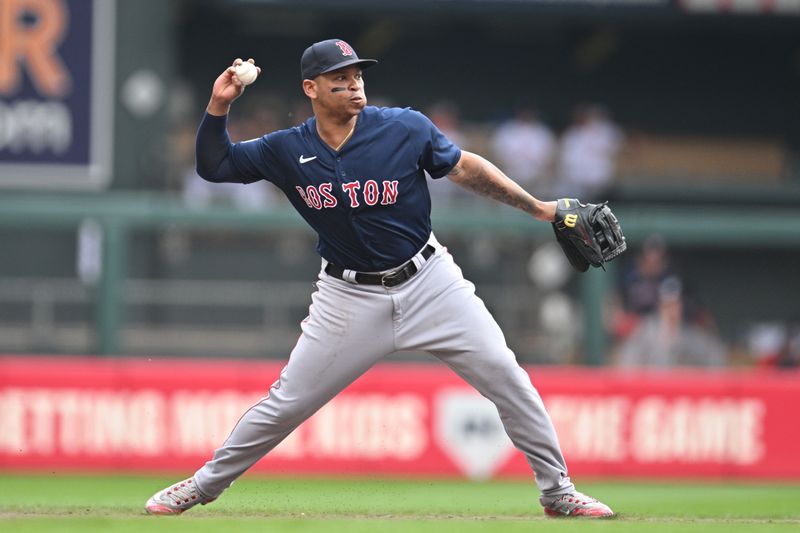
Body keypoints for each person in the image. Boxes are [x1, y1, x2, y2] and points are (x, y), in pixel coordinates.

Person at [144, 38, 614, 519]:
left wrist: (538, 208)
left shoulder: (403, 127)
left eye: (357, 76)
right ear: (311, 88)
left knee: (508, 377)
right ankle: (201, 487)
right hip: (347, 296)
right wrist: (220, 104)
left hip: (430, 281)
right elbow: (214, 165)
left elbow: (463, 167)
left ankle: (557, 491)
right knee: (285, 404)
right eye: (339, 79)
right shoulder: (287, 149)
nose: (353, 85)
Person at [553, 104, 623, 202]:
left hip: (601, 180)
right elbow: (566, 159)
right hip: (575, 181)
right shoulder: (572, 134)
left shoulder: (606, 132)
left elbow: (616, 153)